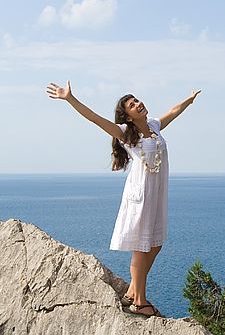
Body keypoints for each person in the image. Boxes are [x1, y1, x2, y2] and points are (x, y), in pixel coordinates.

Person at [46, 80, 201, 318]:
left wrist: (188, 101)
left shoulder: (154, 125)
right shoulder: (126, 135)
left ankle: (131, 291)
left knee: (156, 243)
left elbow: (172, 112)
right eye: (132, 104)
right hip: (140, 195)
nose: (138, 104)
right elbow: (95, 119)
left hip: (157, 194)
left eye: (137, 100)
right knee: (141, 247)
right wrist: (70, 99)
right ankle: (139, 301)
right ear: (127, 115)